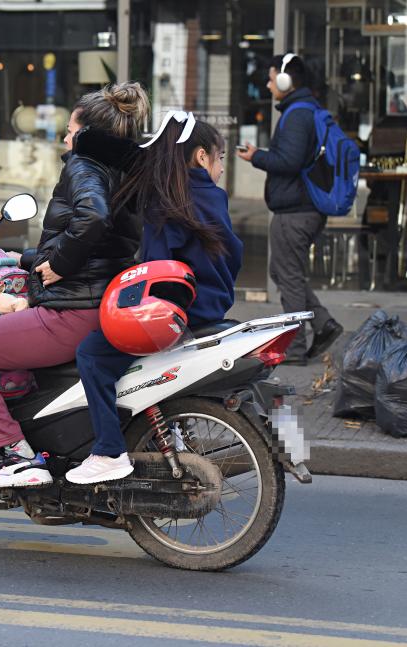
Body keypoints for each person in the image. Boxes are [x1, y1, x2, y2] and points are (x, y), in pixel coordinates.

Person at [0, 82, 149, 489]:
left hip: (72, 312)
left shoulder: (84, 164)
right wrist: (26, 259)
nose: (67, 138)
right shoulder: (122, 170)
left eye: (72, 130)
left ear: (88, 135)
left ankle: (14, 454)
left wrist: (61, 261)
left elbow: (93, 219)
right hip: (101, 302)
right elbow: (101, 249)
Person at [65, 116, 244, 484]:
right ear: (199, 157)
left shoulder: (169, 203)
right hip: (210, 307)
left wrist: (82, 137)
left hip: (178, 311)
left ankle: (109, 451)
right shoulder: (208, 196)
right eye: (220, 157)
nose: (223, 167)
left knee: (92, 355)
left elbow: (154, 269)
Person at [236, 53, 342, 365]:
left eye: (271, 79)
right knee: (283, 271)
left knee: (288, 275)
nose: (268, 85)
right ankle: (323, 322)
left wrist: (257, 156)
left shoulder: (298, 114)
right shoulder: (304, 110)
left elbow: (289, 161)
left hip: (296, 210)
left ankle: (295, 350)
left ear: (285, 81)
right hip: (301, 208)